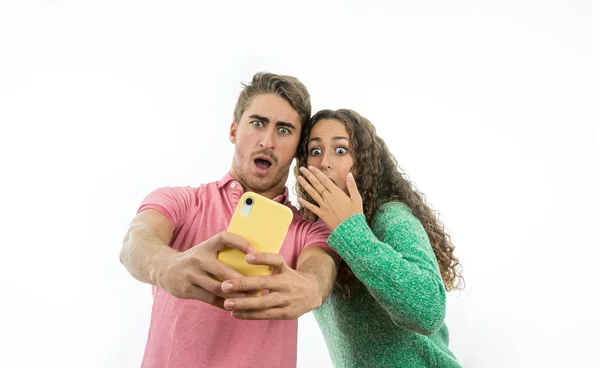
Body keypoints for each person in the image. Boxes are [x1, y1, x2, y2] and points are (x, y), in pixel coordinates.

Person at [119, 73, 339, 368]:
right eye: (258, 123)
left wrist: (312, 288)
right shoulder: (182, 201)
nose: (267, 141)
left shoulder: (310, 230)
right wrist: (165, 266)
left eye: (284, 130)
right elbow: (136, 240)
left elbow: (320, 269)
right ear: (234, 131)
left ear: (298, 148)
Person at [294, 109, 464, 367]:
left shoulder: (391, 217)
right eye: (314, 151)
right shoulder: (314, 233)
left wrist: (350, 230)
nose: (324, 162)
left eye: (340, 150)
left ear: (362, 163)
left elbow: (429, 310)